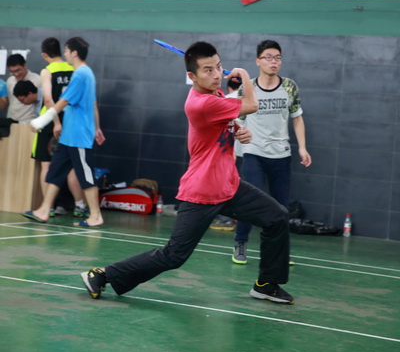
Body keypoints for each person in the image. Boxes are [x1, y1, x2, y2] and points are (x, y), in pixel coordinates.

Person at [80, 41, 294, 305]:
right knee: (174, 255)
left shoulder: (215, 93)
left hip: (229, 186)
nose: (216, 74)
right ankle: (102, 275)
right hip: (202, 191)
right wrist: (246, 77)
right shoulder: (201, 103)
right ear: (192, 76)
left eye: (218, 67)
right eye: (208, 70)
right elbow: (251, 105)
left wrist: (239, 130)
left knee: (277, 217)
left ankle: (266, 284)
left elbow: (225, 121)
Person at [232, 39, 312, 265]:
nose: (273, 61)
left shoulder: (290, 87)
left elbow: (297, 118)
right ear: (258, 61)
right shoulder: (248, 88)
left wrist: (302, 148)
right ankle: (240, 242)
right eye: (268, 57)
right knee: (250, 201)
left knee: (281, 207)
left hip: (281, 154)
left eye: (277, 58)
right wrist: (236, 146)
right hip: (254, 152)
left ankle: (280, 251)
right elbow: (237, 120)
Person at [21, 37, 105, 228]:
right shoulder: (81, 73)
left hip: (79, 136)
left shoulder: (82, 74)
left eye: (66, 50)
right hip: (68, 136)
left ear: (74, 52)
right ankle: (44, 210)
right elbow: (92, 104)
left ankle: (95, 216)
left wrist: (42, 120)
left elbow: (63, 101)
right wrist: (98, 127)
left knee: (86, 176)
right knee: (55, 171)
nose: (64, 53)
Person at [33, 37, 88, 218]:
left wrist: (56, 122)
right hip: (71, 121)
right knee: (72, 166)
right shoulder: (73, 69)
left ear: (44, 55)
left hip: (51, 121)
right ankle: (79, 206)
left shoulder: (47, 71)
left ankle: (48, 207)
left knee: (46, 165)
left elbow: (48, 99)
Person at [209, 77, 243, 231]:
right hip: (248, 150)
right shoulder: (246, 99)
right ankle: (235, 218)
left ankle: (225, 219)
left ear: (229, 87)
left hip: (230, 151)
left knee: (224, 186)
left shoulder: (225, 100)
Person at [0, 54, 41, 122]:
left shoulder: (38, 80)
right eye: (12, 72)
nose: (16, 74)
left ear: (24, 65)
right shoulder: (10, 81)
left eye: (18, 70)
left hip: (29, 122)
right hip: (11, 121)